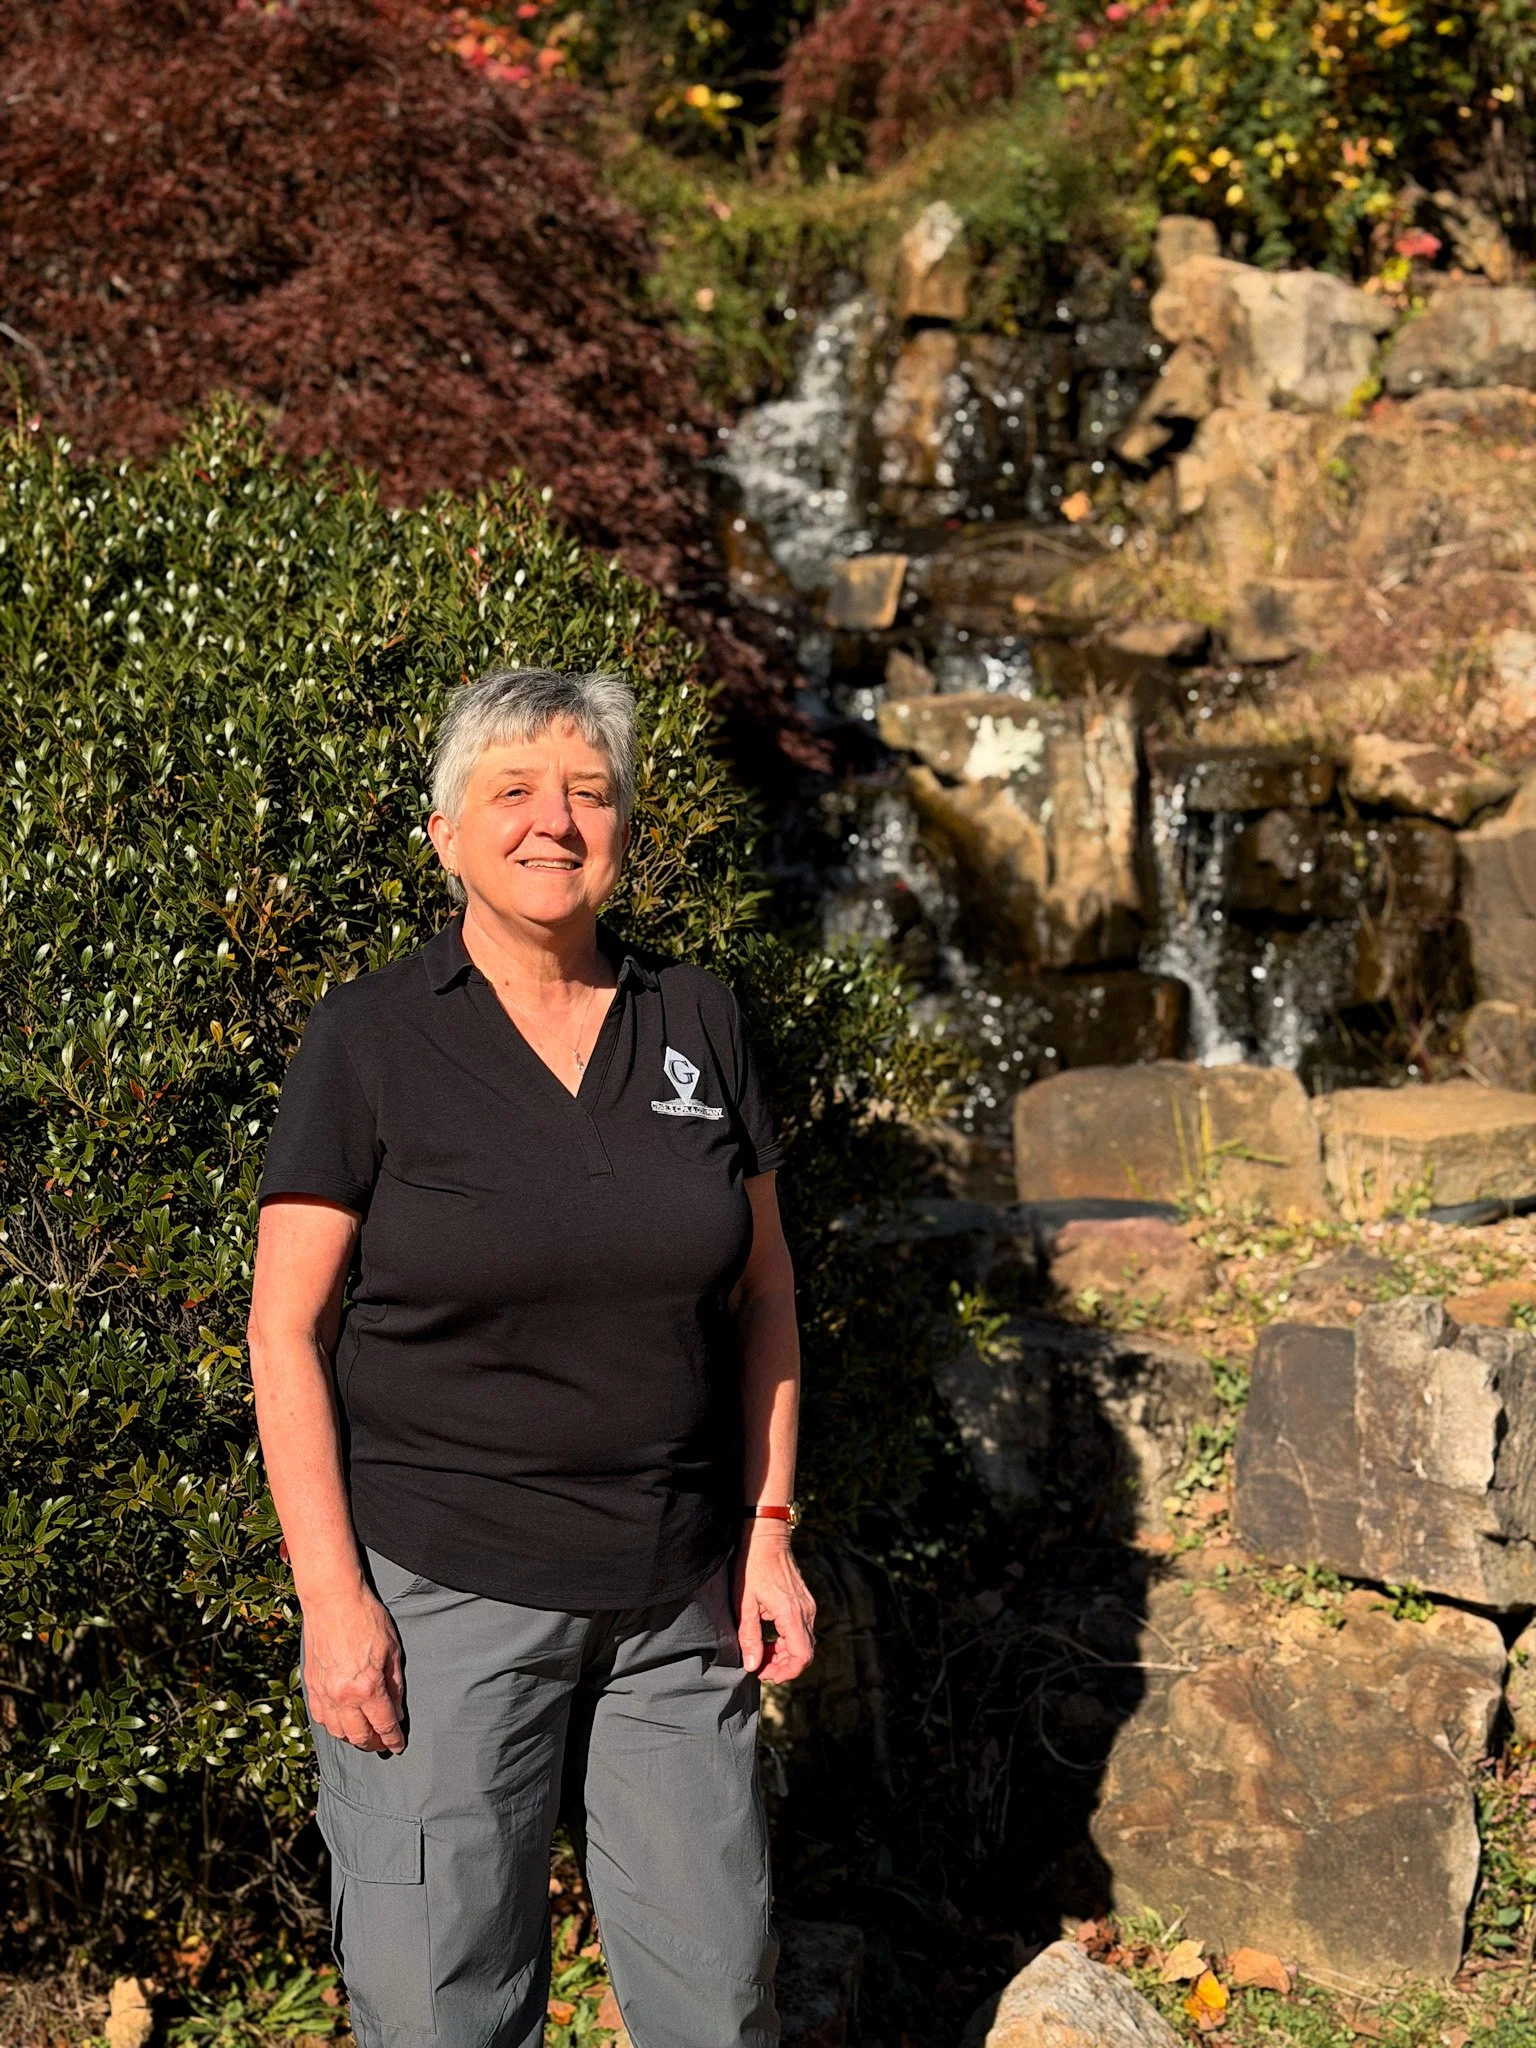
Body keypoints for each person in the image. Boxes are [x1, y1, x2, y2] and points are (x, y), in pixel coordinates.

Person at [247, 666, 815, 2048]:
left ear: (623, 828)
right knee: (443, 2013)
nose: (553, 821)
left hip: (679, 1598)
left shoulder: (698, 1019)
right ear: (444, 831)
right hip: (443, 1593)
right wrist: (334, 1600)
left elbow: (767, 1291)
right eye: (512, 790)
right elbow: (284, 1326)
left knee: (717, 2004)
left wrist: (770, 1528)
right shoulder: (372, 1037)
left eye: (589, 792)